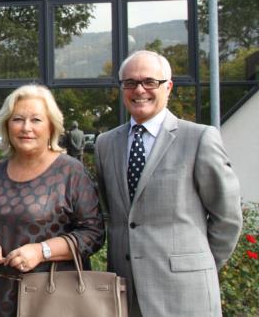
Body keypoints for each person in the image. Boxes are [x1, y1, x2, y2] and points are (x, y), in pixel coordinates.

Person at [95, 50, 243, 317]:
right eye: (130, 83)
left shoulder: (199, 139)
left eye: (149, 82)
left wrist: (198, 267)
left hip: (185, 292)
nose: (139, 90)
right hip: (124, 293)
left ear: (168, 87)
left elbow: (227, 217)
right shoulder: (105, 144)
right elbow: (114, 215)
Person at [0, 84, 104, 317]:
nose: (26, 128)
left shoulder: (70, 171)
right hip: (3, 299)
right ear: (7, 125)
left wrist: (41, 251)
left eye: (36, 120)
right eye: (18, 119)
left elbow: (93, 233)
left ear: (51, 126)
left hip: (55, 299)